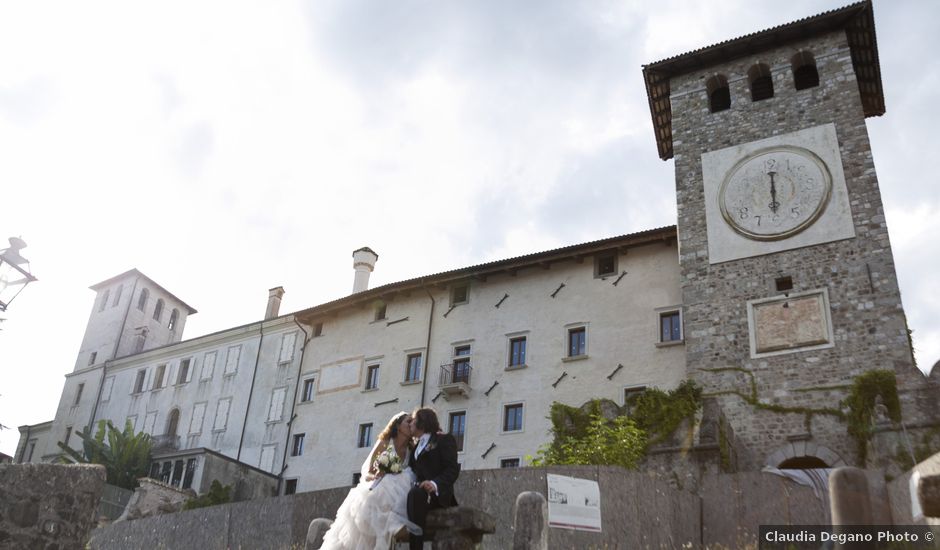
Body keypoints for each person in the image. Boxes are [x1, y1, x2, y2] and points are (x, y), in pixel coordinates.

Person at [320, 412, 421, 550]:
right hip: (381, 483)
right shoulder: (385, 443)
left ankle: (395, 528)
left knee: (403, 478)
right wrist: (378, 475)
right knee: (381, 489)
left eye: (412, 422)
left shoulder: (412, 448)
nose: (411, 425)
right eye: (408, 422)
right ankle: (390, 527)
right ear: (398, 426)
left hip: (400, 488)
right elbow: (368, 472)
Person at [406, 407, 460, 550]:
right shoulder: (415, 448)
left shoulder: (443, 439)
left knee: (415, 494)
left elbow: (452, 469)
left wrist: (434, 484)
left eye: (413, 421)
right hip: (419, 496)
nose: (410, 424)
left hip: (438, 496)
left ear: (422, 424)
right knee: (411, 495)